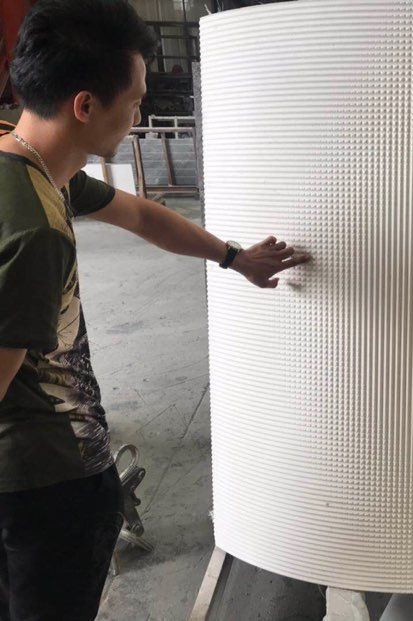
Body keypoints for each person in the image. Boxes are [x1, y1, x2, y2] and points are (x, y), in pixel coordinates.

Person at [0, 1, 309, 619]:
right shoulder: (36, 230)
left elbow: (140, 214)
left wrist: (234, 258)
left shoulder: (28, 163)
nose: (138, 115)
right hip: (46, 485)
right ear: (85, 105)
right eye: (135, 101)